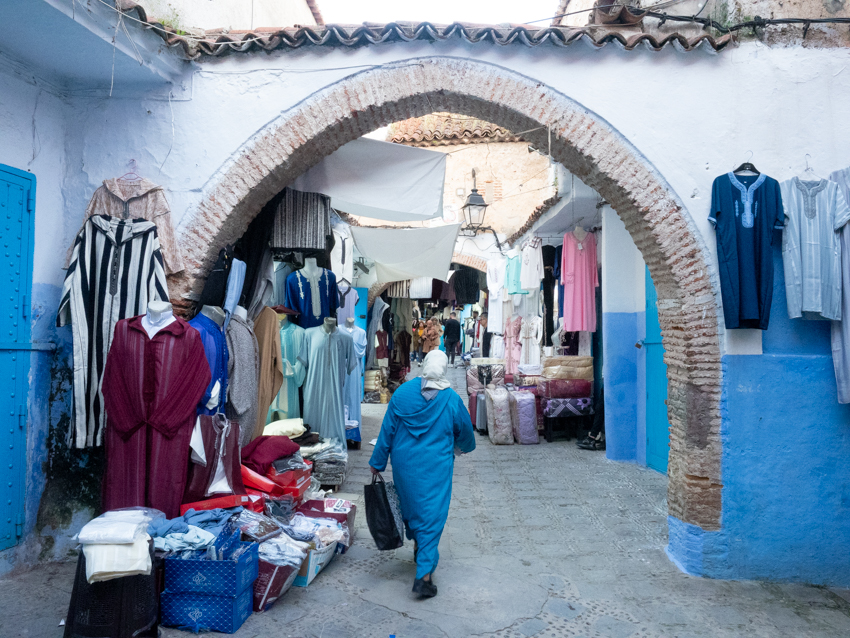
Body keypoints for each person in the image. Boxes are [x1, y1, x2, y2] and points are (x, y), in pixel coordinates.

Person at [369, 350, 476, 597]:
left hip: (404, 465)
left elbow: (387, 431)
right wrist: (463, 447)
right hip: (436, 468)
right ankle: (424, 578)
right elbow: (466, 434)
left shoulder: (403, 393)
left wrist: (377, 462)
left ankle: (419, 546)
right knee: (432, 515)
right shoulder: (450, 399)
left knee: (411, 507)